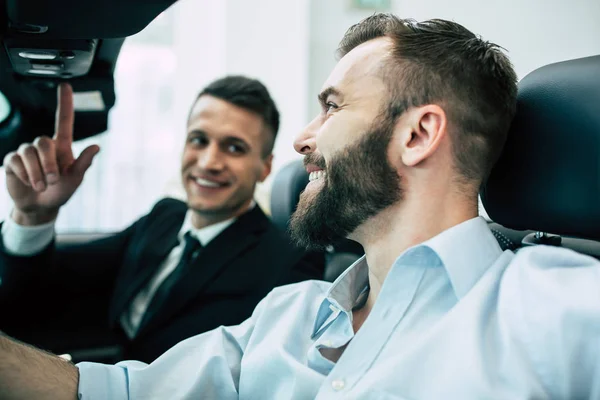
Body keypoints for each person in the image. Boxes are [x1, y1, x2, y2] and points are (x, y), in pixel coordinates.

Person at [2, 13, 600, 400]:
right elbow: (118, 391)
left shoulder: (561, 308)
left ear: (417, 135)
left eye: (333, 107)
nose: (302, 139)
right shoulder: (287, 316)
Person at [0, 76, 324, 364]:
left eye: (234, 148)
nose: (209, 162)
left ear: (265, 167)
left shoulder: (289, 263)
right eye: (198, 140)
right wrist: (34, 215)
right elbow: (43, 287)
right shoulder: (164, 217)